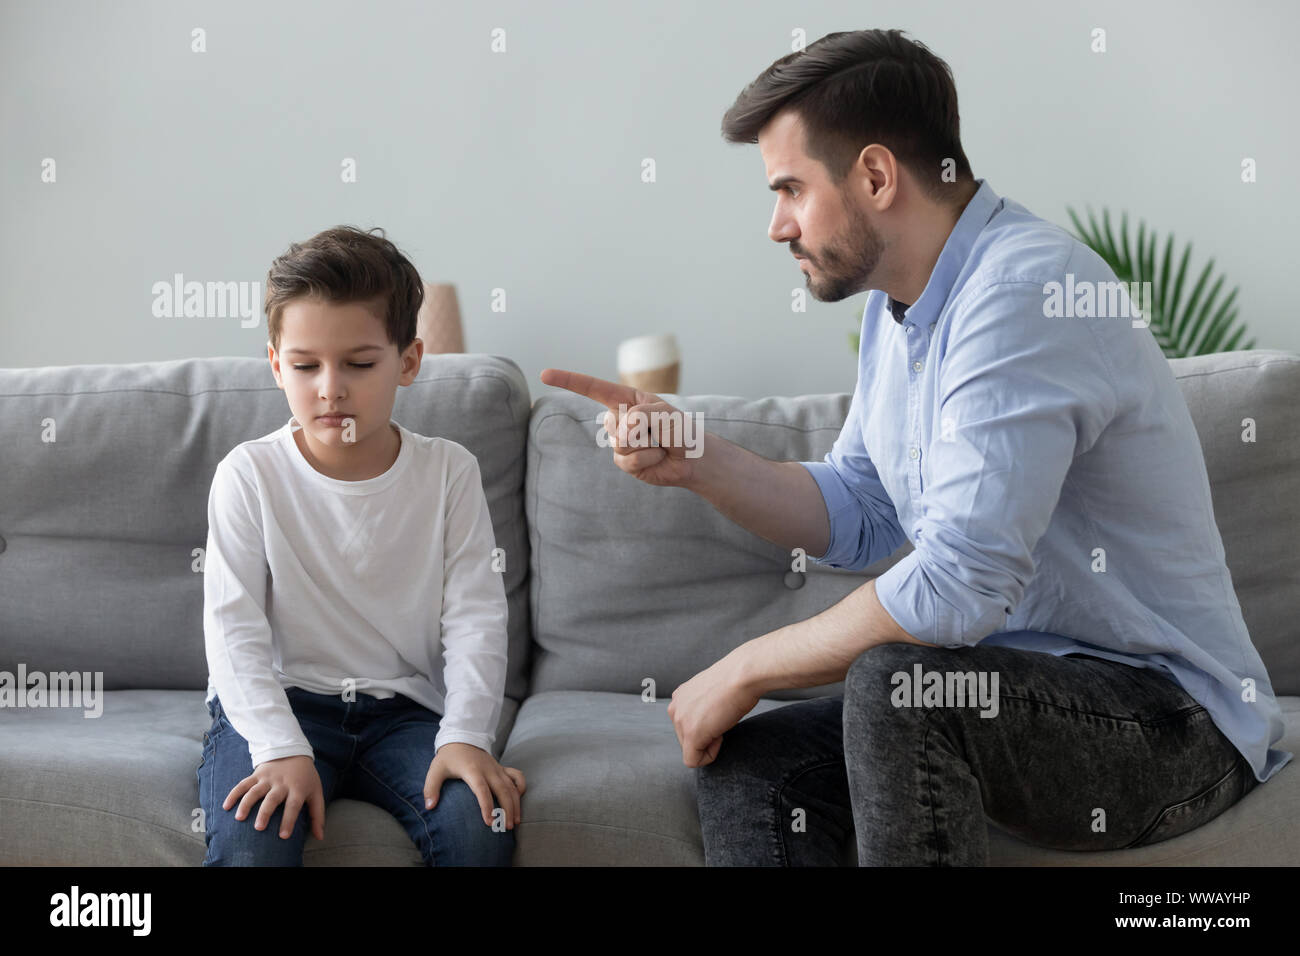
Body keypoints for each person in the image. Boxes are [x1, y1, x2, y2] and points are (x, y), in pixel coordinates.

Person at [540, 28, 1291, 865]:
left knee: (901, 686)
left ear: (874, 175)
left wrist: (746, 666)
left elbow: (957, 586)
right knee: (761, 763)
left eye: (790, 188)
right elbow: (863, 512)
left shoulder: (1024, 292)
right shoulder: (895, 310)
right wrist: (698, 459)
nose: (776, 225)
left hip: (1169, 722)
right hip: (1014, 696)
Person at [197, 225, 523, 866]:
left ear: (408, 361)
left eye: (360, 363)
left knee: (478, 829)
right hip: (282, 702)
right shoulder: (249, 473)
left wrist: (465, 736)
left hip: (404, 714)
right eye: (305, 365)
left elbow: (477, 618)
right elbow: (233, 630)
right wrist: (278, 746)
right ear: (275, 364)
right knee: (250, 845)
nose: (330, 388)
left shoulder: (448, 471)